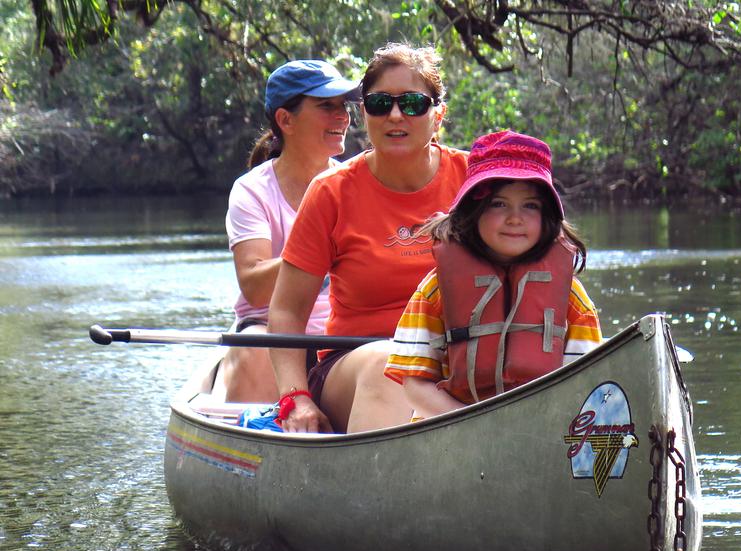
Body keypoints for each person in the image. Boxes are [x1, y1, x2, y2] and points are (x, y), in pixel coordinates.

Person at [268, 43, 469, 433]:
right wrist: (295, 397)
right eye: (380, 103)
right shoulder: (331, 192)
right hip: (358, 363)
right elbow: (287, 311)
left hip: (459, 362)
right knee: (388, 363)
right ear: (364, 113)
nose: (395, 115)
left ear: (438, 115)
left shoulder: (474, 180)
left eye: (412, 103)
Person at [383, 130, 603, 419]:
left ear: (547, 217)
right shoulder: (436, 289)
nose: (515, 218)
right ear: (473, 212)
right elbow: (415, 384)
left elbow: (587, 387)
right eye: (499, 204)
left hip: (542, 430)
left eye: (530, 206)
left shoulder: (571, 298)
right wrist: (476, 424)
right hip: (452, 430)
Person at [219, 60, 360, 403]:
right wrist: (323, 249)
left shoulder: (358, 184)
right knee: (255, 349)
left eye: (344, 105)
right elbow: (254, 287)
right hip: (269, 334)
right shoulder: (252, 190)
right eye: (327, 105)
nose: (342, 115)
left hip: (340, 338)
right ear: (285, 120)